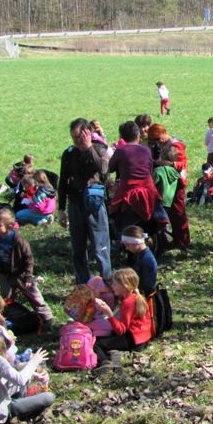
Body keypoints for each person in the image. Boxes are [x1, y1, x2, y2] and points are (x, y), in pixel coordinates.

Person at [58, 118, 113, 284]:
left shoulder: (100, 150)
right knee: (78, 248)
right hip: (75, 204)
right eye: (73, 137)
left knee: (100, 246)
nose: (76, 141)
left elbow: (103, 172)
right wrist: (61, 209)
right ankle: (82, 284)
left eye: (79, 137)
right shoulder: (68, 154)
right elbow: (63, 181)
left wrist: (88, 148)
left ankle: (108, 283)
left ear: (87, 134)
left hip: (94, 205)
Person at [0, 323, 53, 424]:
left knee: (17, 385)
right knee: (49, 396)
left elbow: (7, 380)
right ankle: (22, 406)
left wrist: (33, 375)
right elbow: (20, 380)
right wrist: (34, 361)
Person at [0, 209, 54, 331]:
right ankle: (9, 319)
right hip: (5, 274)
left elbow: (29, 258)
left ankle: (47, 319)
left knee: (34, 296)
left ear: (9, 226)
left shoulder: (18, 240)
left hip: (20, 274)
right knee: (6, 298)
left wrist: (28, 276)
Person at [92, 268, 152, 369]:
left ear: (124, 287)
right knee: (105, 338)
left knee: (96, 344)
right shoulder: (133, 296)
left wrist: (109, 313)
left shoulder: (128, 303)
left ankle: (105, 364)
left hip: (134, 340)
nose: (112, 286)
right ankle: (116, 354)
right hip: (142, 338)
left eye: (115, 284)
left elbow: (121, 330)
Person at [108, 120, 161, 235]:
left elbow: (110, 168)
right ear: (138, 135)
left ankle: (119, 238)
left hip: (128, 192)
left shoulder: (120, 151)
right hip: (148, 191)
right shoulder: (146, 150)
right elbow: (150, 169)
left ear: (122, 137)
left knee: (116, 214)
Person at [148, 123, 191, 250]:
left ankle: (184, 241)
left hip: (176, 182)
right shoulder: (164, 145)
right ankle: (177, 239)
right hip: (168, 182)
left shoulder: (175, 145)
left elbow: (182, 164)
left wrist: (164, 163)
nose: (157, 142)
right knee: (172, 213)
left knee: (178, 213)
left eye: (157, 138)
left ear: (163, 132)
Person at [120, 225, 157, 296]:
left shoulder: (146, 260)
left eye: (127, 245)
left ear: (136, 242)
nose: (126, 248)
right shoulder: (140, 255)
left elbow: (147, 287)